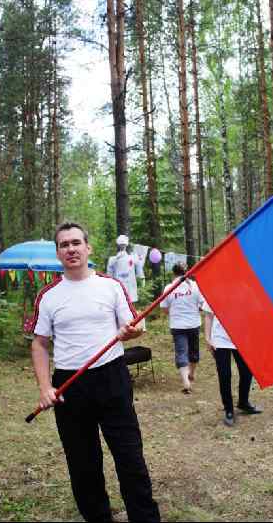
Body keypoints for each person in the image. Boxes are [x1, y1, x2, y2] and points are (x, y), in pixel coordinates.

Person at [29, 222, 160, 522]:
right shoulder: (48, 296)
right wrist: (45, 387)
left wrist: (131, 332)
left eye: (76, 242)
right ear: (58, 253)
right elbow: (39, 345)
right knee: (83, 463)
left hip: (111, 377)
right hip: (70, 385)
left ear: (88, 248)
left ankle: (145, 517)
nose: (71, 249)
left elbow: (136, 326)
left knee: (129, 457)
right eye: (64, 245)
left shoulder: (111, 286)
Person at [202, 300, 262, 426]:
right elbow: (208, 315)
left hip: (242, 338)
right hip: (219, 339)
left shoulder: (245, 289)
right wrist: (207, 338)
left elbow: (255, 313)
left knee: (246, 371)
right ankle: (228, 409)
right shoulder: (214, 290)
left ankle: (243, 402)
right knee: (224, 374)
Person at [160, 263, 203, 394]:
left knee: (181, 351)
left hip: (177, 325)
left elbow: (164, 308)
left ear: (173, 273)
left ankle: (185, 381)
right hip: (194, 324)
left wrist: (174, 311)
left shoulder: (169, 287)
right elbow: (202, 305)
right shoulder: (195, 286)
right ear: (187, 272)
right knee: (193, 351)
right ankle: (191, 373)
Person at [107, 234, 144, 303]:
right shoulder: (113, 259)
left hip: (129, 286)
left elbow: (139, 269)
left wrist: (142, 277)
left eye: (123, 244)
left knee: (128, 304)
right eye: (121, 244)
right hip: (118, 287)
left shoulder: (132, 258)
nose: (122, 246)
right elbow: (109, 276)